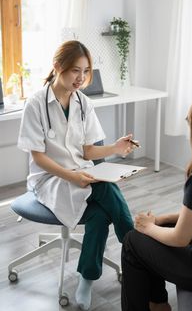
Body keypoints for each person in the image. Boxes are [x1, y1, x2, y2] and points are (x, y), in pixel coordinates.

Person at [18, 40, 135, 310]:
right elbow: (39, 157)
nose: (81, 78)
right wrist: (72, 177)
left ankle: (87, 278)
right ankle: (136, 253)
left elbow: (88, 150)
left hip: (80, 174)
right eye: (75, 71)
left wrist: (116, 148)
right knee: (106, 190)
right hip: (49, 179)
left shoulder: (83, 102)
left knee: (99, 214)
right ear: (58, 67)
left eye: (86, 71)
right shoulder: (36, 104)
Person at [121, 85, 192, 311]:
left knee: (134, 241)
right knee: (164, 226)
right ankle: (158, 304)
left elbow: (180, 239)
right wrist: (161, 220)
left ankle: (153, 304)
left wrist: (148, 227)